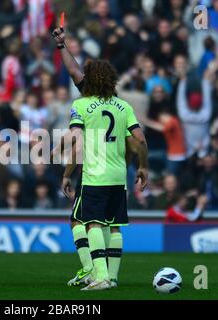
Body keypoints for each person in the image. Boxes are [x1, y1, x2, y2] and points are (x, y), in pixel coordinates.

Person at [52, 28, 148, 291]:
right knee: (114, 224)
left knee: (89, 221)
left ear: (89, 80)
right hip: (118, 176)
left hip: (95, 173)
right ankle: (112, 277)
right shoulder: (124, 105)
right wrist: (142, 167)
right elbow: (140, 141)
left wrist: (59, 153)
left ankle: (99, 275)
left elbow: (74, 139)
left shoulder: (82, 105)